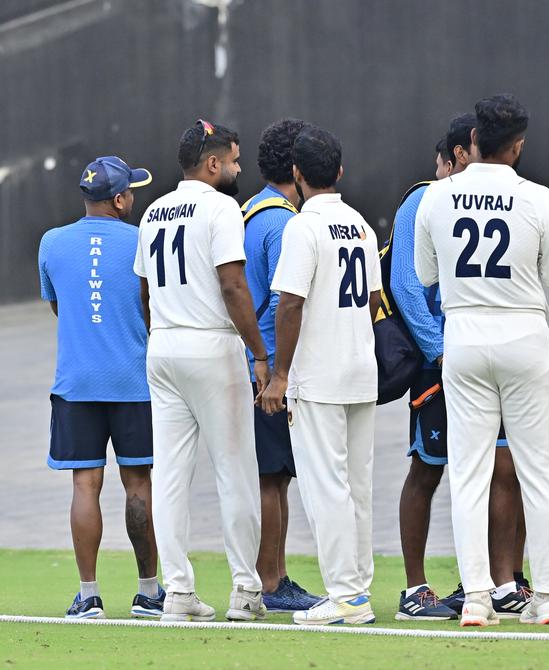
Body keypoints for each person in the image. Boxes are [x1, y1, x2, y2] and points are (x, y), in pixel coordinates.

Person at [413, 94, 549, 627]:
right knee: (539, 472)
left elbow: (426, 273)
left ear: (474, 141)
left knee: (471, 473)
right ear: (519, 146)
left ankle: (477, 598)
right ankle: (547, 597)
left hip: (464, 336)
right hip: (525, 333)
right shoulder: (538, 197)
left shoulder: (438, 196)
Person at [389, 115, 528, 622]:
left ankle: (503, 581)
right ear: (453, 158)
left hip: (492, 354)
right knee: (429, 467)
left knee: (508, 467)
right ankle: (414, 590)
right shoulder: (421, 201)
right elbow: (406, 286)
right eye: (473, 152)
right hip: (443, 361)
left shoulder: (511, 196)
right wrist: (442, 352)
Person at [135, 119, 267, 622]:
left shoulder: (152, 212)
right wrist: (259, 353)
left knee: (168, 476)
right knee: (235, 470)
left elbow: (144, 292)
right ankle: (245, 592)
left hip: (163, 346)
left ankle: (177, 593)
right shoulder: (220, 206)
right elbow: (233, 285)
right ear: (213, 163)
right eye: (233, 159)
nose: (237, 168)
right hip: (211, 346)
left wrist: (159, 335)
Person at [259, 125, 380, 626]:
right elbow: (373, 299)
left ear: (296, 174)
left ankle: (346, 596)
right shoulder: (362, 225)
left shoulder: (302, 228)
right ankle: (359, 590)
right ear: (341, 172)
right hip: (360, 368)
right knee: (358, 485)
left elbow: (289, 303)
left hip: (320, 376)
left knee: (326, 485)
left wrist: (281, 374)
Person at [36, 155, 163, 620]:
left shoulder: (51, 242)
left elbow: (58, 306)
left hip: (76, 384)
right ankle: (149, 592)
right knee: (139, 485)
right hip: (134, 382)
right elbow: (153, 309)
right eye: (131, 191)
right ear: (119, 199)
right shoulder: (142, 241)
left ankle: (88, 595)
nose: (134, 197)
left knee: (84, 485)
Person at [239, 118, 321, 614]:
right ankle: (271, 581)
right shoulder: (286, 222)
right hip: (267, 370)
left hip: (250, 362)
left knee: (274, 476)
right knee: (273, 477)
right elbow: (282, 302)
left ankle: (274, 575)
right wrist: (271, 366)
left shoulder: (251, 210)